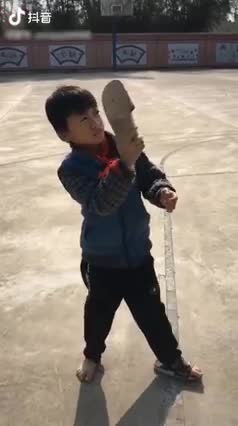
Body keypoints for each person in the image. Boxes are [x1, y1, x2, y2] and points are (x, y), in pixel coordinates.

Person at [45, 85, 203, 384]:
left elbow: (148, 175)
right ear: (64, 134)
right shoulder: (71, 169)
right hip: (102, 260)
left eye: (96, 114)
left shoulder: (121, 145)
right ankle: (92, 356)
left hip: (138, 254)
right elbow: (100, 204)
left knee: (153, 314)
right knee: (98, 317)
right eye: (83, 120)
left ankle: (171, 360)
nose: (95, 124)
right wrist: (125, 163)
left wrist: (162, 192)